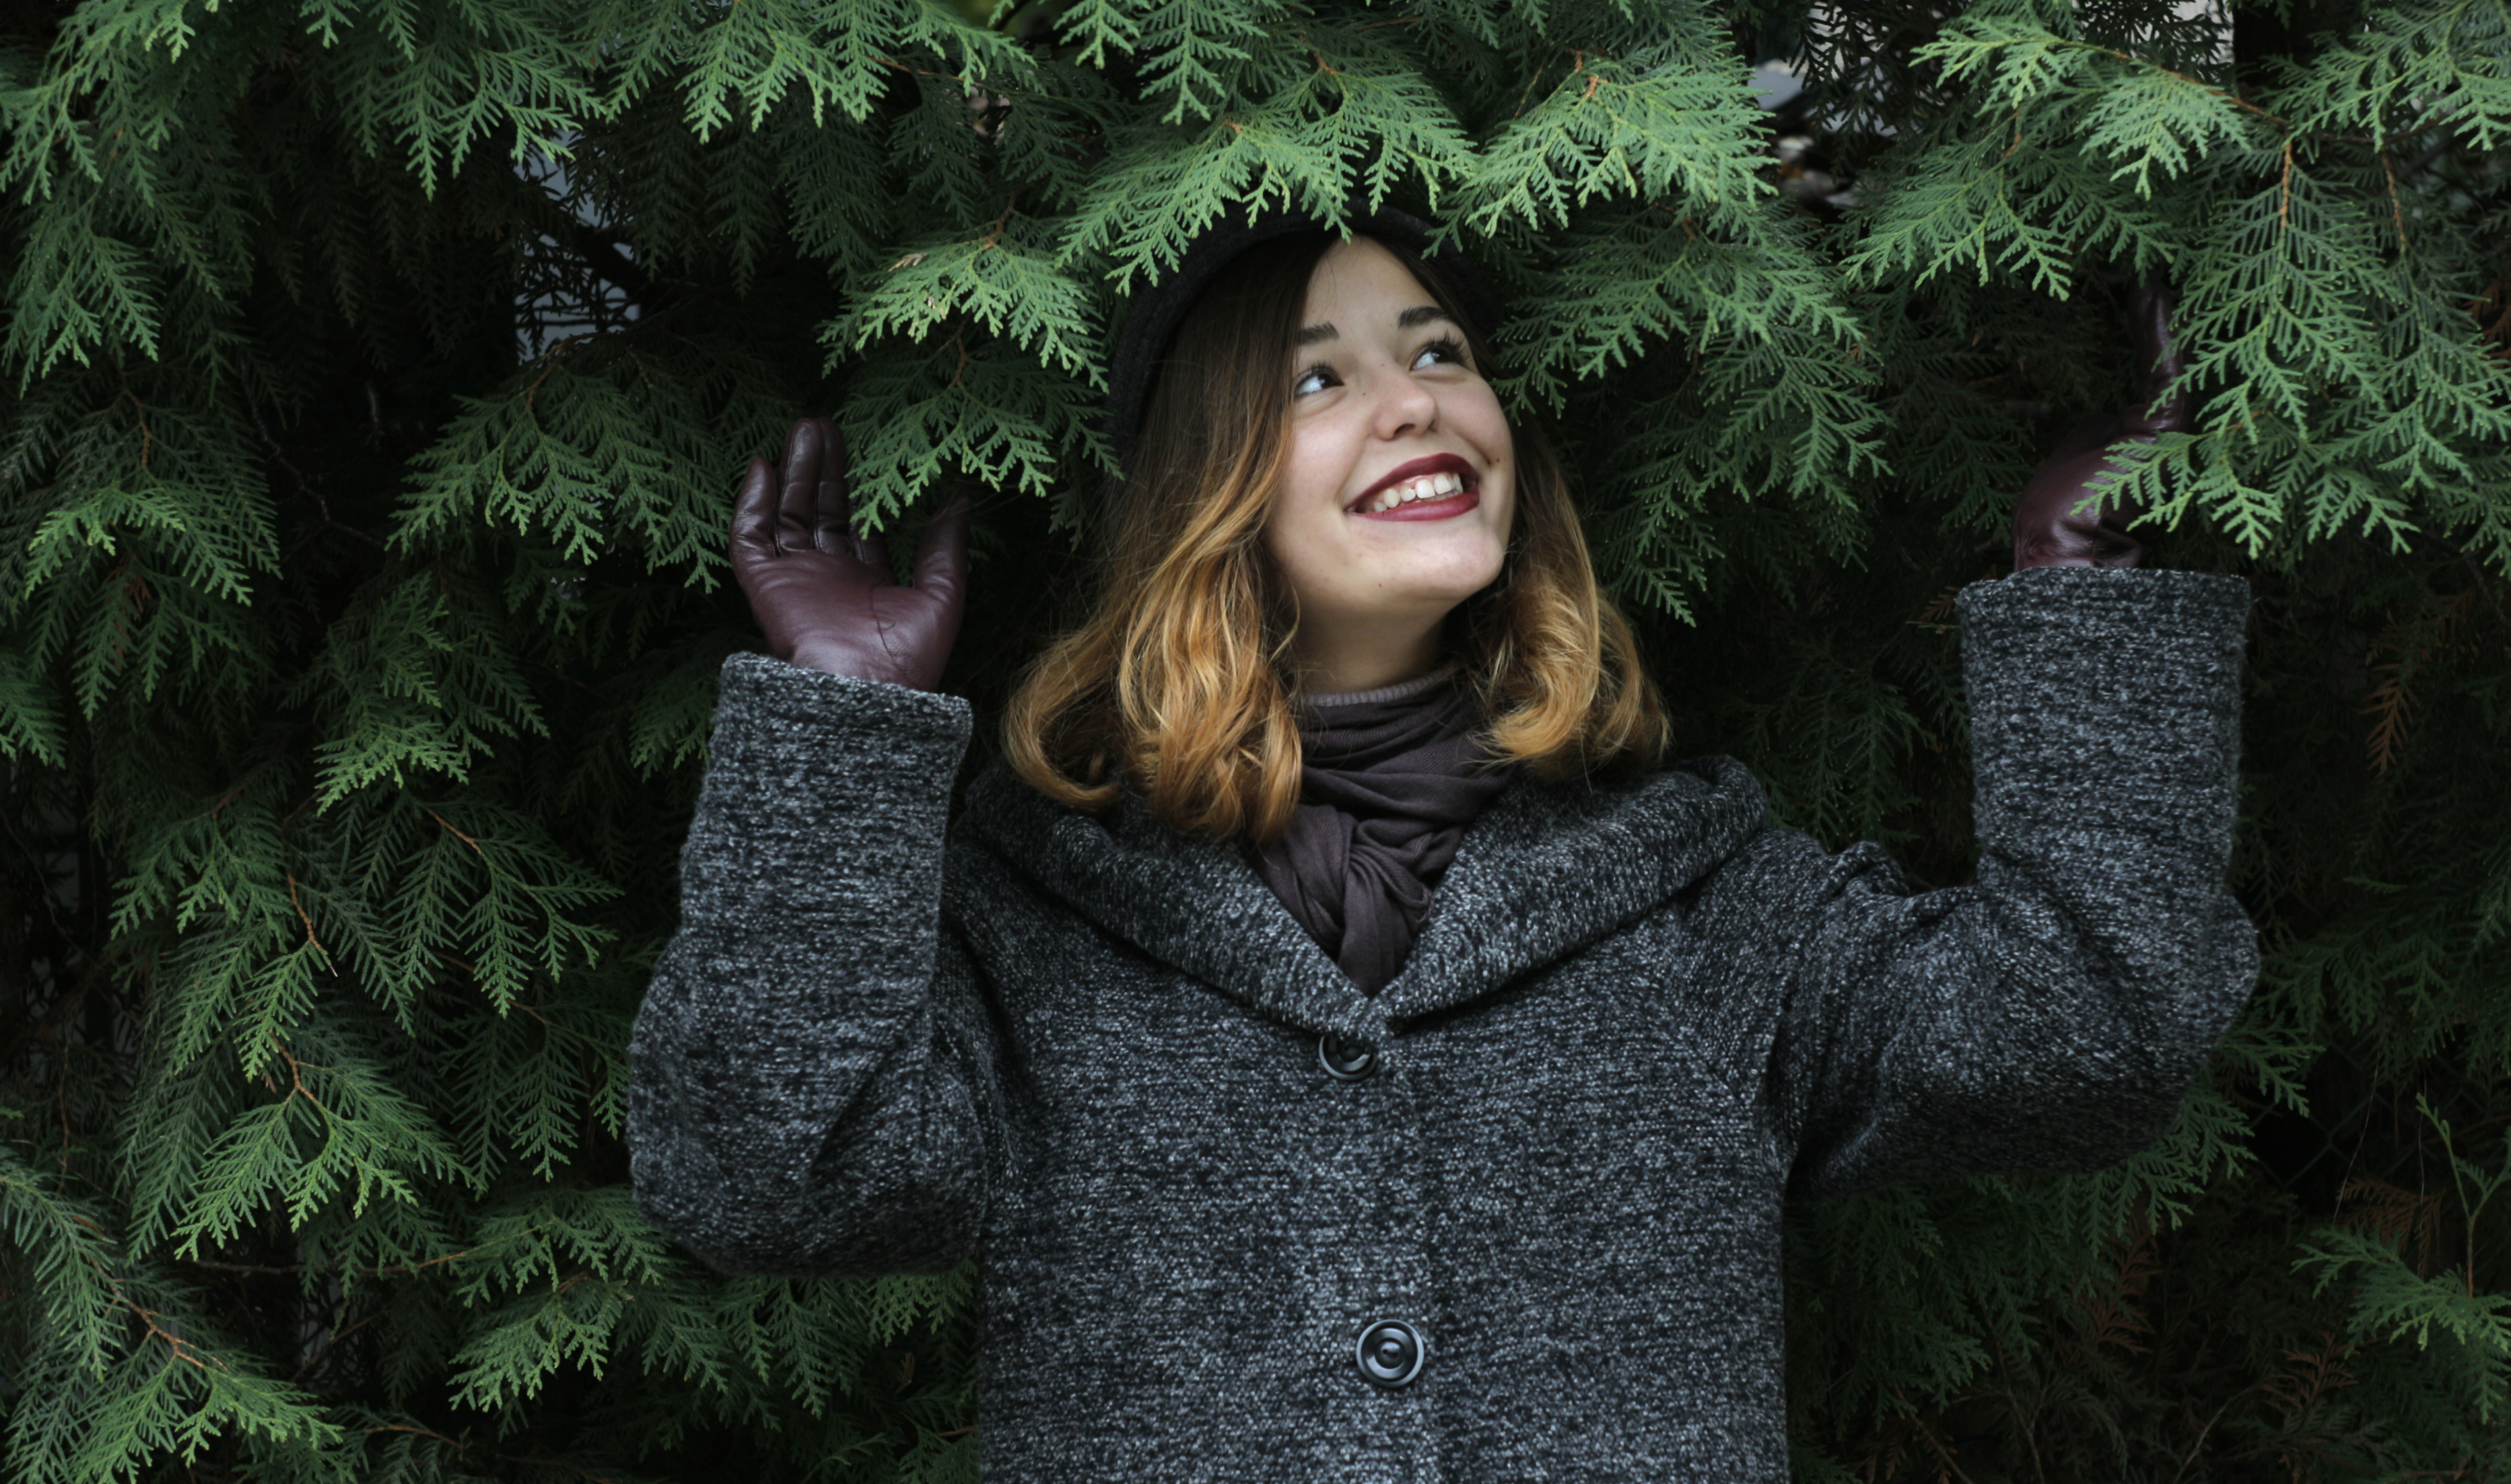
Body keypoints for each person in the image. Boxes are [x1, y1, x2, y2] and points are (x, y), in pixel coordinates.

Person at [625, 207, 2255, 1483]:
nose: (1415, 397)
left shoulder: (1700, 907)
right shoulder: (1040, 919)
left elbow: (2084, 1034)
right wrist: (832, 734)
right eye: (1317, 377)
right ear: (1208, 489)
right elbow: (764, 1179)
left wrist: (2080, 602)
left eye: (1439, 351)